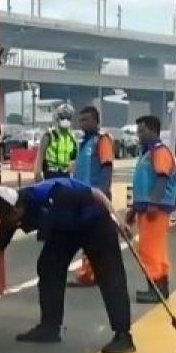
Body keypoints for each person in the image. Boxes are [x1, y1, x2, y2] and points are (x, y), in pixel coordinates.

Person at [0, 178, 135, 353]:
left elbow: (96, 194)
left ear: (17, 209)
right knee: (48, 266)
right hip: (65, 229)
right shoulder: (11, 215)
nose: (6, 223)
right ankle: (50, 327)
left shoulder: (53, 194)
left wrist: (119, 221)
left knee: (109, 274)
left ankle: (123, 335)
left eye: (7, 218)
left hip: (94, 220)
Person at [128, 114, 176, 303]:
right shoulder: (147, 153)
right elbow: (143, 183)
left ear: (152, 130)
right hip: (147, 208)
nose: (138, 135)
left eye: (141, 130)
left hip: (155, 209)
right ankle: (160, 288)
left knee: (150, 249)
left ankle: (156, 290)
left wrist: (154, 204)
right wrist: (135, 208)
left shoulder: (160, 151)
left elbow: (162, 178)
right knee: (154, 248)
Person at [70, 106, 115, 287]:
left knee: (95, 236)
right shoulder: (84, 142)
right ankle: (89, 273)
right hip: (83, 197)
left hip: (95, 197)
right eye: (81, 120)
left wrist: (103, 191)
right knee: (87, 236)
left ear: (96, 121)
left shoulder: (101, 140)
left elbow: (107, 166)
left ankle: (95, 273)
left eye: (87, 119)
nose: (83, 123)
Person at [35, 103, 78, 180]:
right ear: (57, 118)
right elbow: (40, 155)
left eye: (68, 118)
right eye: (62, 117)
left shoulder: (72, 137)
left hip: (66, 174)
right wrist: (38, 173)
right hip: (50, 174)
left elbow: (74, 158)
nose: (65, 120)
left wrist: (73, 173)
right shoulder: (49, 135)